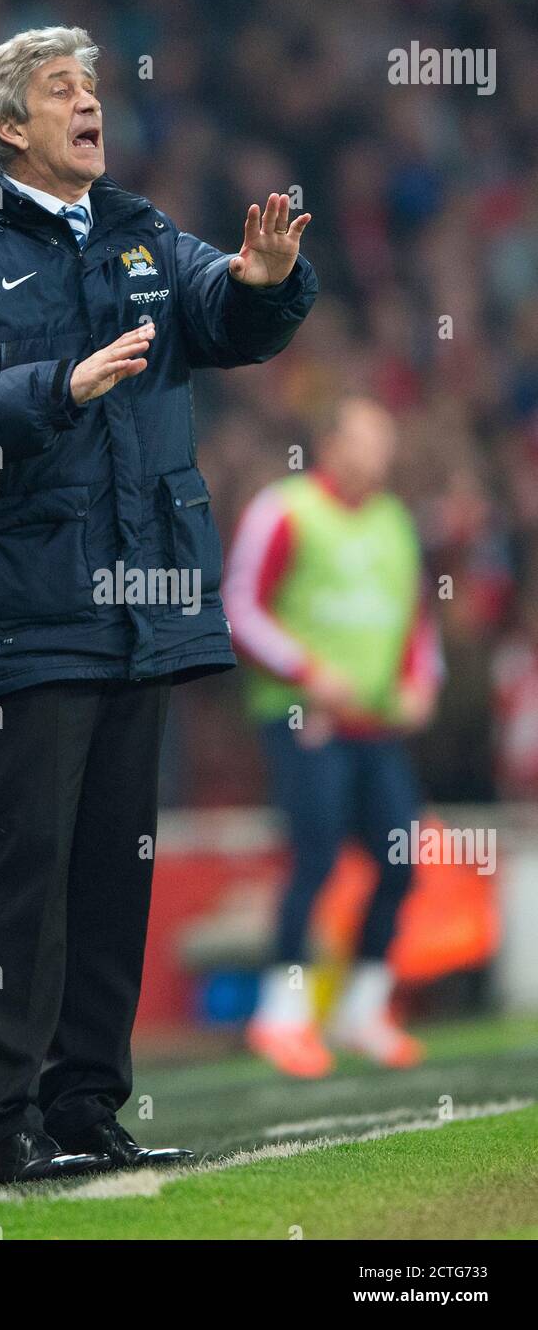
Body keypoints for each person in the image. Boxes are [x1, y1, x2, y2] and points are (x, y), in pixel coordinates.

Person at [0, 26, 318, 1183]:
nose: (89, 103)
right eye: (63, 88)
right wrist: (54, 388)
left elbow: (220, 309)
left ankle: (84, 1112)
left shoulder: (138, 232)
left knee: (117, 871)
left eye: (93, 86)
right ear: (9, 124)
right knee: (28, 879)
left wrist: (265, 285)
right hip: (23, 614)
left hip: (140, 606)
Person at [223, 398, 441, 1078]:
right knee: (313, 856)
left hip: (373, 723)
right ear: (330, 443)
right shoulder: (283, 509)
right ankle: (280, 1016)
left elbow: (411, 619)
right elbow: (238, 606)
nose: (380, 455)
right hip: (303, 718)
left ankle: (362, 1008)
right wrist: (305, 672)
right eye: (368, 441)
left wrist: (421, 681)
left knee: (400, 858)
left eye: (386, 443)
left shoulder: (392, 522)